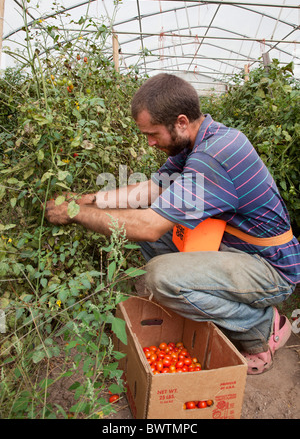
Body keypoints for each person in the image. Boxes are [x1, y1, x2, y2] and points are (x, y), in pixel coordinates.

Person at [45, 73, 299, 375]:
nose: (150, 143)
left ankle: (260, 326)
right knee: (148, 236)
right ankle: (209, 303)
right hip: (236, 250)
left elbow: (149, 225)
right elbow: (150, 191)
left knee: (160, 276)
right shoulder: (198, 141)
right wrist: (85, 200)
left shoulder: (213, 156)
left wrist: (74, 214)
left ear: (180, 122)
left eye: (152, 134)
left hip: (270, 270)